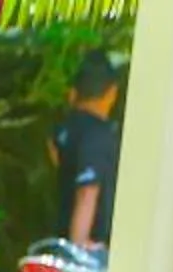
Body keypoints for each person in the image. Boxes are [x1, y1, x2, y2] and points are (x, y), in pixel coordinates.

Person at [49, 49, 123, 256]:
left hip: (61, 236)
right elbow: (87, 191)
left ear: (73, 93)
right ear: (112, 92)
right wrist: (79, 247)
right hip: (90, 249)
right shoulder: (98, 135)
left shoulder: (63, 131)